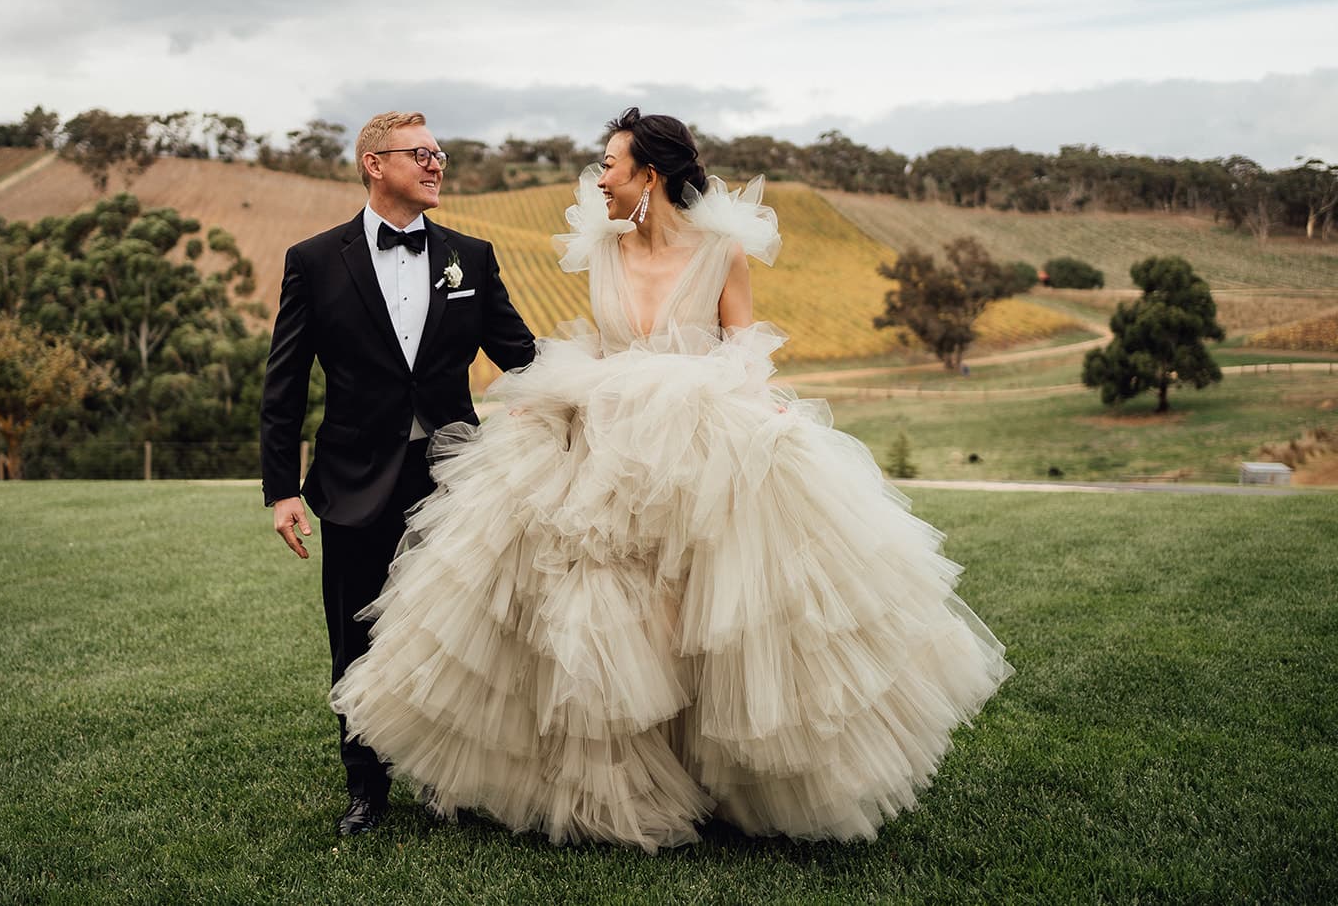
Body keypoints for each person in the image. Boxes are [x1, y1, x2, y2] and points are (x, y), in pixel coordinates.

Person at [330, 108, 1013, 851]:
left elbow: (744, 354)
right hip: (608, 455)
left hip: (700, 447)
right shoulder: (605, 250)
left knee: (710, 618)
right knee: (618, 619)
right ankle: (630, 782)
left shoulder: (723, 252)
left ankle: (727, 780)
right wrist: (562, 395)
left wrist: (756, 421)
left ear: (649, 175)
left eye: (611, 166)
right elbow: (596, 344)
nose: (600, 179)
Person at [260, 110, 536, 837]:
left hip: (455, 479)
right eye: (421, 153)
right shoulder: (315, 260)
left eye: (440, 152)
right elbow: (284, 382)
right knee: (357, 637)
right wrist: (282, 488)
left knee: (464, 635)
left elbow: (521, 355)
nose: (437, 163)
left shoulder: (471, 258)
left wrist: (604, 391)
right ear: (374, 164)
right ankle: (366, 789)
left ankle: (454, 782)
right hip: (352, 478)